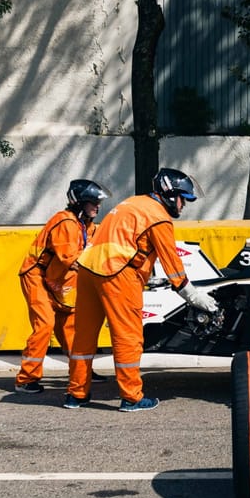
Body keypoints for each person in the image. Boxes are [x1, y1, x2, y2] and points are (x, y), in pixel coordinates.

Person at [64, 167, 218, 412]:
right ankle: (132, 397)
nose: (184, 205)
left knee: (84, 337)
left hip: (88, 270)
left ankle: (76, 394)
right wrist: (192, 295)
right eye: (183, 199)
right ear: (170, 195)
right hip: (117, 273)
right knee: (128, 337)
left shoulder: (133, 203)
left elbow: (126, 240)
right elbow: (173, 265)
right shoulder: (158, 217)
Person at [14, 179, 110, 394]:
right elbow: (73, 260)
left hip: (57, 279)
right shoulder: (65, 222)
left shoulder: (86, 225)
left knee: (71, 330)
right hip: (37, 276)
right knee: (45, 325)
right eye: (92, 202)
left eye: (98, 202)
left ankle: (81, 371)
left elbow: (93, 251)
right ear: (79, 202)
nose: (97, 206)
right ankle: (25, 379)